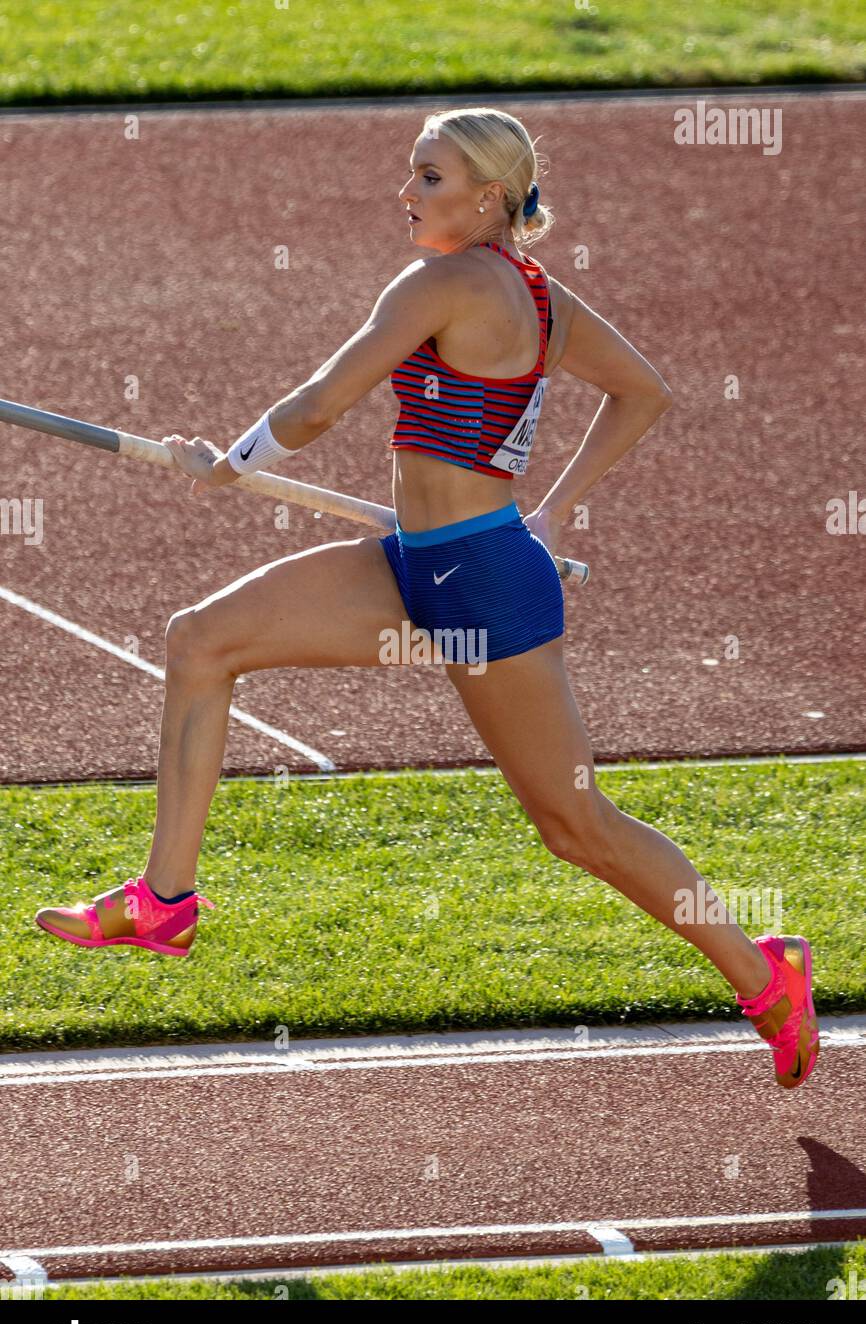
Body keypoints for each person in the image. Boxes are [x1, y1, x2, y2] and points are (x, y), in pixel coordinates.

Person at [35, 106, 818, 1088]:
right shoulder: (537, 295)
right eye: (411, 174)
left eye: (430, 178)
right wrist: (553, 512)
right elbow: (642, 391)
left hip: (482, 586)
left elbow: (320, 404)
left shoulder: (442, 280)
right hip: (413, 562)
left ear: (489, 196)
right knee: (201, 641)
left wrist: (229, 464)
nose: (405, 194)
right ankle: (165, 902)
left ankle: (763, 976)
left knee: (575, 826)